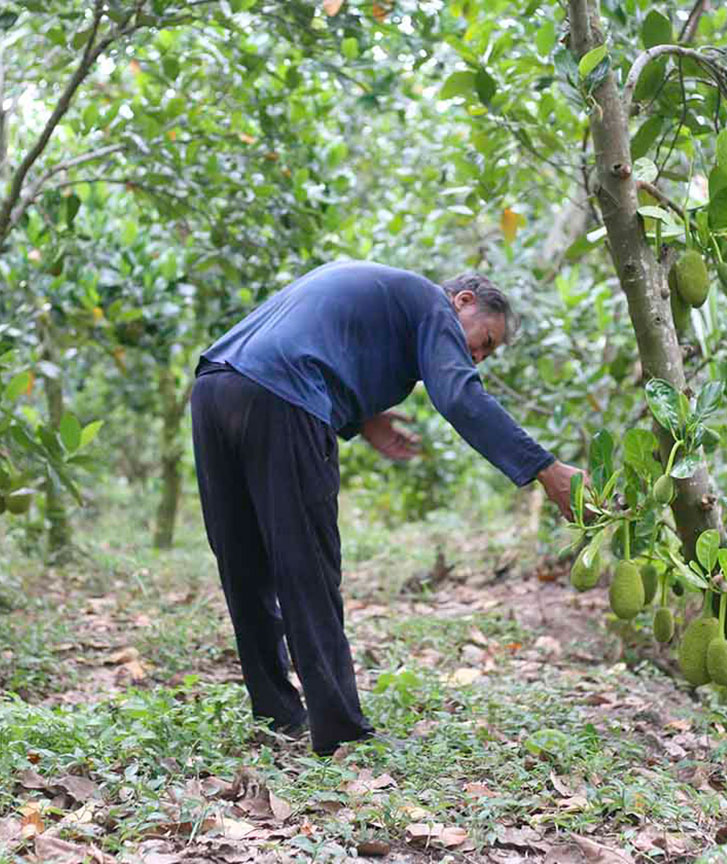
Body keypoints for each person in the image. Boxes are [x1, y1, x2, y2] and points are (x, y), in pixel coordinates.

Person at [190, 260, 581, 756]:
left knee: (243, 565)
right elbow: (459, 397)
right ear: (462, 301)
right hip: (281, 398)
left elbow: (317, 340)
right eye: (484, 341)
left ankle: (278, 716)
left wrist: (367, 419)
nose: (478, 357)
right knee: (306, 567)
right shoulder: (432, 305)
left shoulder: (393, 300)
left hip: (215, 388)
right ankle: (340, 733)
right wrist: (546, 470)